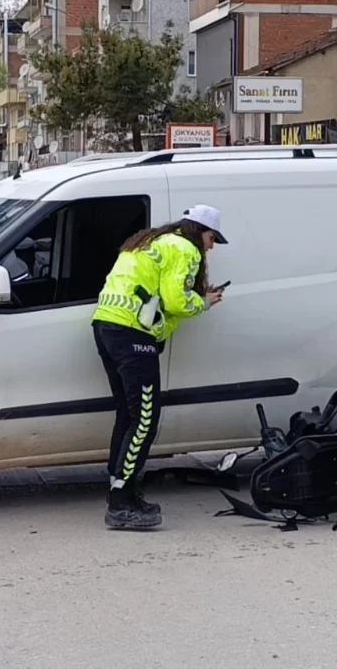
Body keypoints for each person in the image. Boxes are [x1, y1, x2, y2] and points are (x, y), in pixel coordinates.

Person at [91, 204, 228, 529]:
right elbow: (177, 301)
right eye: (212, 238)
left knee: (127, 414)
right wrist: (203, 302)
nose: (211, 246)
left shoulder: (153, 241)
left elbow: (158, 304)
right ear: (199, 231)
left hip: (107, 326)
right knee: (145, 420)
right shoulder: (185, 249)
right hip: (131, 335)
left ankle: (121, 488)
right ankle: (121, 504)